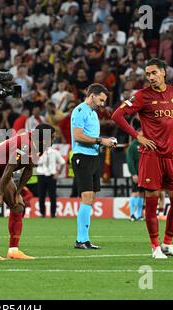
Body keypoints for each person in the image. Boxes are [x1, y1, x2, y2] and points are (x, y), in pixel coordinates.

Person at [111, 58, 173, 259]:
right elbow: (117, 115)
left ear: (164, 72)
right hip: (151, 156)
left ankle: (168, 244)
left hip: (171, 155)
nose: (151, 77)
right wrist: (138, 136)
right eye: (148, 74)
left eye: (154, 72)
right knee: (152, 203)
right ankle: (155, 246)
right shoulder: (142, 96)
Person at [0, 124, 56, 260]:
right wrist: (0, 194)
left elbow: (28, 170)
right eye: (52, 138)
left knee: (18, 206)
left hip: (2, 170)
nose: (53, 141)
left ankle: (13, 250)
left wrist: (17, 193)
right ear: (43, 139)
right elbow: (9, 169)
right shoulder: (24, 144)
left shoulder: (39, 147)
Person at [71, 83, 116, 250]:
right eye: (101, 100)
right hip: (82, 158)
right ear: (92, 96)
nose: (102, 104)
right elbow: (77, 136)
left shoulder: (93, 113)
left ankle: (85, 239)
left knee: (91, 199)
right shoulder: (80, 111)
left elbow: (92, 137)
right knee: (87, 197)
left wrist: (106, 142)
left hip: (94, 157)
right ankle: (80, 240)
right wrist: (100, 140)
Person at [36, 145, 66, 218]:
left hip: (51, 176)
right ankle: (42, 213)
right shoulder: (38, 153)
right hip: (41, 175)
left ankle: (53, 214)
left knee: (52, 196)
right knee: (41, 195)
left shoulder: (55, 152)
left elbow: (63, 162)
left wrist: (58, 173)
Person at [125, 133, 144, 221]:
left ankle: (139, 215)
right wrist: (133, 174)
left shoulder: (145, 144)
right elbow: (130, 161)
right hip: (137, 174)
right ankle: (132, 214)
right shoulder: (132, 146)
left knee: (142, 193)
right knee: (135, 192)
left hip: (144, 174)